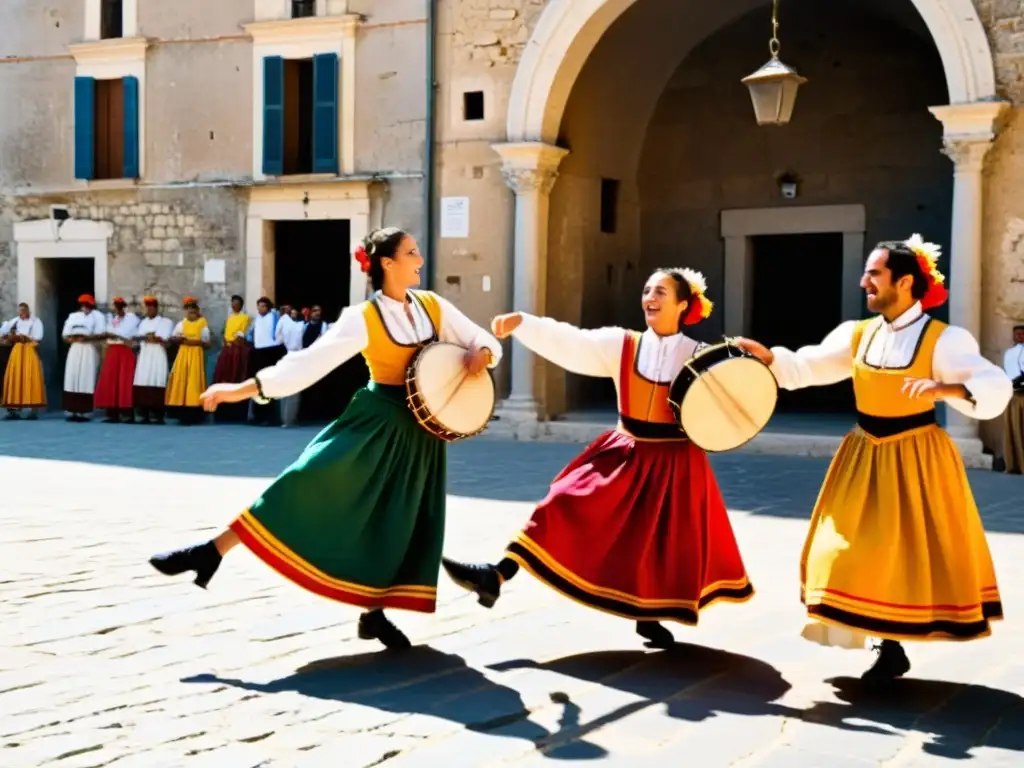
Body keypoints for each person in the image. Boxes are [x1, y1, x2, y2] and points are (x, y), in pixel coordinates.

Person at [148, 227, 502, 650]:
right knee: (305, 479)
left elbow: (486, 341)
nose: (420, 260)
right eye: (411, 253)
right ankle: (211, 551)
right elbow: (305, 365)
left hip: (420, 433)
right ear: (387, 263)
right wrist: (241, 389)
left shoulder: (433, 307)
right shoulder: (362, 318)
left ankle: (373, 614)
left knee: (397, 521)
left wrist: (482, 355)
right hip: (375, 422)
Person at [733, 235, 1012, 683]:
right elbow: (810, 366)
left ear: (904, 281)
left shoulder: (945, 339)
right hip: (864, 453)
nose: (864, 281)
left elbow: (991, 383)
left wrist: (948, 390)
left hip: (917, 457)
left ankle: (890, 646)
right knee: (840, 551)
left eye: (874, 274)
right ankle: (879, 634)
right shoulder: (857, 334)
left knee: (904, 553)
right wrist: (771, 358)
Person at [442, 268, 754, 649]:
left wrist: (749, 360)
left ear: (683, 304)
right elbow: (572, 341)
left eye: (660, 291)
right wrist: (524, 323)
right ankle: (496, 575)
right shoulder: (620, 344)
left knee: (658, 541)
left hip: (675, 461)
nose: (649, 298)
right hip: (625, 451)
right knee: (561, 502)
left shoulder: (701, 356)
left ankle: (648, 616)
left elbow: (736, 399)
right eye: (646, 289)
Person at [165, 297, 212, 425]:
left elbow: (208, 343)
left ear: (197, 311)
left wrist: (195, 342)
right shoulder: (182, 324)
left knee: (194, 382)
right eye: (188, 311)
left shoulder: (202, 323)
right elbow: (173, 338)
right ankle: (181, 412)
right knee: (182, 381)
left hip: (196, 355)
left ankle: (195, 413)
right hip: (183, 355)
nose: (190, 314)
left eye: (193, 311)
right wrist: (177, 340)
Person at [95, 297, 140, 423]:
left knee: (125, 381)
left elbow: (125, 334)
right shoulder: (113, 320)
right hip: (113, 350)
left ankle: (126, 413)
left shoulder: (131, 318)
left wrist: (115, 334)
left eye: (120, 306)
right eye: (116, 307)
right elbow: (109, 333)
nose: (118, 310)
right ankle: (112, 412)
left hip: (124, 350)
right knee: (111, 381)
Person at [61, 294, 106, 421]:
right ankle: (71, 410)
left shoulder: (98, 316)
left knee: (86, 377)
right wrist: (72, 338)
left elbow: (101, 334)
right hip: (75, 347)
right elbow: (65, 335)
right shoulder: (73, 316)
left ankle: (84, 411)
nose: (85, 307)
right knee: (72, 376)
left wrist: (87, 338)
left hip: (89, 348)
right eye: (83, 304)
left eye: (88, 305)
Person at [133, 297, 175, 425]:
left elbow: (164, 339)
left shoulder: (165, 322)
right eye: (147, 307)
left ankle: (157, 414)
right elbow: (139, 337)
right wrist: (148, 337)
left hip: (157, 354)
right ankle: (143, 413)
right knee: (143, 380)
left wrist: (152, 337)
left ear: (156, 308)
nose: (149, 310)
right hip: (145, 354)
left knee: (157, 379)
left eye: (152, 307)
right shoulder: (143, 322)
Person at [211, 295, 251, 423]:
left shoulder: (245, 318)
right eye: (233, 303)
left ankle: (237, 413)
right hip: (227, 351)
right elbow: (225, 333)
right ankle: (222, 412)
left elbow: (242, 334)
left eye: (237, 303)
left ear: (241, 305)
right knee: (223, 377)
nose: (235, 305)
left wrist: (234, 342)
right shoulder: (229, 318)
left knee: (236, 377)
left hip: (237, 351)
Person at [2, 303, 45, 420]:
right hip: (17, 351)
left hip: (29, 350)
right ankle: (13, 409)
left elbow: (38, 337)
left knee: (30, 377)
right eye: (20, 311)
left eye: (24, 310)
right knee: (15, 377)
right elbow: (3, 332)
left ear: (28, 310)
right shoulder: (14, 321)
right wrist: (9, 338)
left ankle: (33, 410)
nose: (22, 313)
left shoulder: (35, 321)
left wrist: (25, 337)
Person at [246, 297, 284, 426]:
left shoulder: (274, 316)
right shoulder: (256, 319)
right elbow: (249, 333)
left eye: (263, 306)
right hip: (258, 352)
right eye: (259, 306)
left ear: (268, 307)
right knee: (258, 384)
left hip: (270, 351)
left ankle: (271, 417)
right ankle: (257, 415)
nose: (260, 308)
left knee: (269, 383)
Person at [275, 304, 307, 427]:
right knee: (292, 389)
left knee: (290, 388)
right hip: (293, 356)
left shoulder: (288, 323)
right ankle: (288, 418)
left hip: (291, 356)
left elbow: (278, 338)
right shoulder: (299, 325)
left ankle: (288, 418)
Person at [1001, 324, 1024, 474]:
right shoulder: (1008, 353)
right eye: (1017, 334)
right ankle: (1013, 464)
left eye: (1022, 334)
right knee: (1012, 430)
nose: (1019, 336)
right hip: (1011, 395)